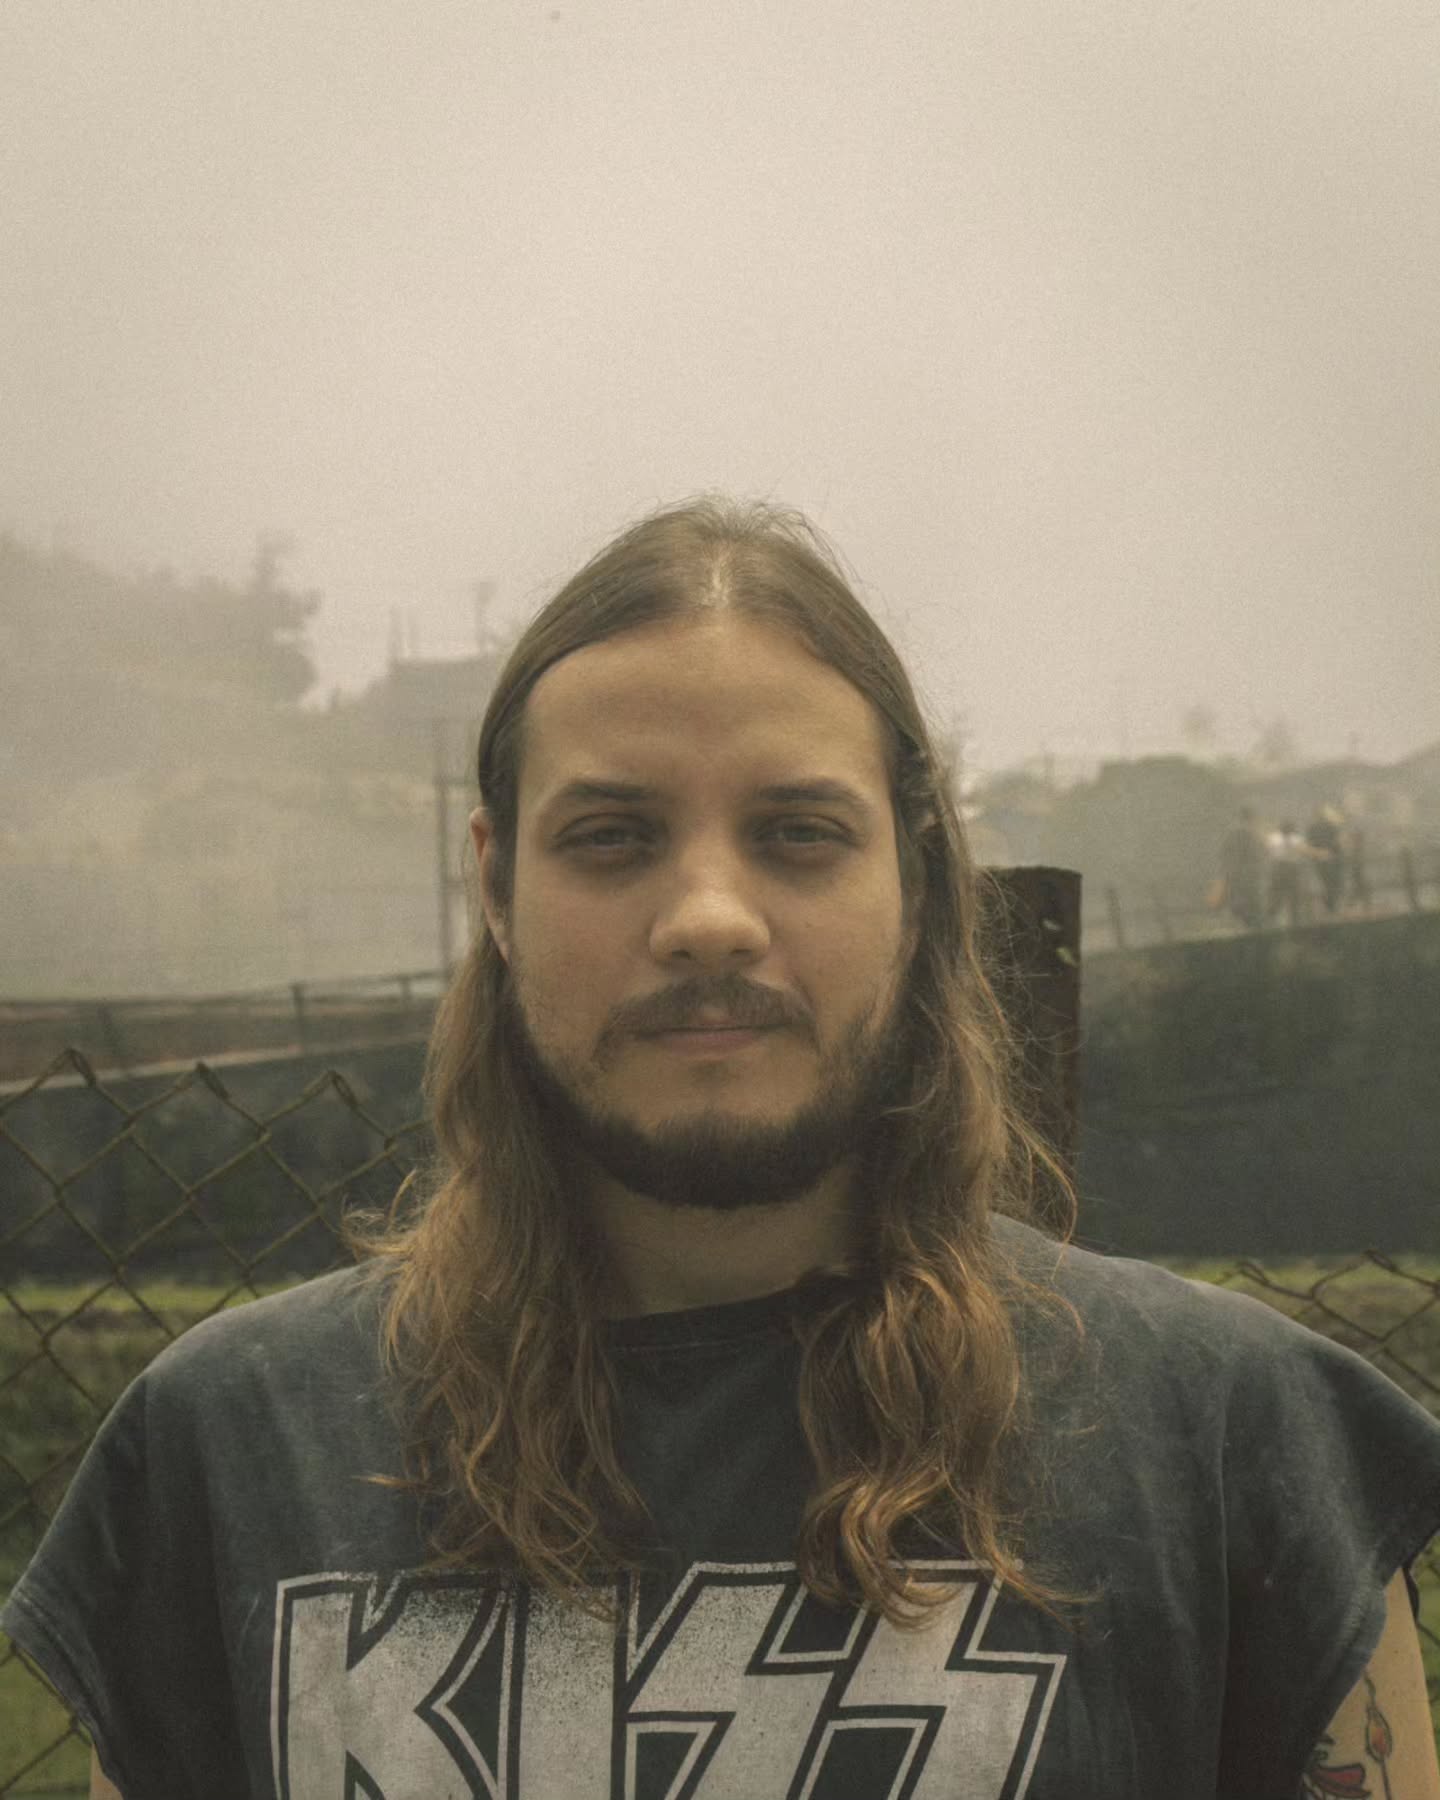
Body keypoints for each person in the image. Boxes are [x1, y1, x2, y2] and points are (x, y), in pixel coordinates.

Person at [5, 496, 1439, 1800]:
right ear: (494, 886)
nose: (707, 917)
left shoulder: (1239, 1448)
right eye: (612, 837)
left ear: (919, 882)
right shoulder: (229, 1450)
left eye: (798, 833)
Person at [1216, 804, 1265, 930]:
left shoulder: (1234, 832)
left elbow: (1225, 854)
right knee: (1249, 904)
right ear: (1252, 818)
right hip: (1245, 876)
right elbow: (1253, 855)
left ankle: (1247, 927)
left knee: (1241, 903)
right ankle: (1252, 930)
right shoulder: (1246, 833)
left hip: (1239, 875)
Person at [1265, 816, 1314, 929]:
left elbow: (1267, 850)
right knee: (1293, 897)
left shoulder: (1273, 838)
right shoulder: (1295, 839)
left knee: (1277, 896)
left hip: (1278, 869)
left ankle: (1270, 920)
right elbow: (1305, 850)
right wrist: (1320, 854)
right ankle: (1294, 922)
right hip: (1291, 869)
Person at [1305, 804, 1346, 917]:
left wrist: (1317, 854)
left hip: (1321, 857)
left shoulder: (1313, 828)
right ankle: (1331, 905)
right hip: (1330, 857)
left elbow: (1310, 843)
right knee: (1332, 882)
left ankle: (1330, 905)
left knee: (1326, 882)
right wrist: (1333, 853)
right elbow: (1337, 842)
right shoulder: (1330, 826)